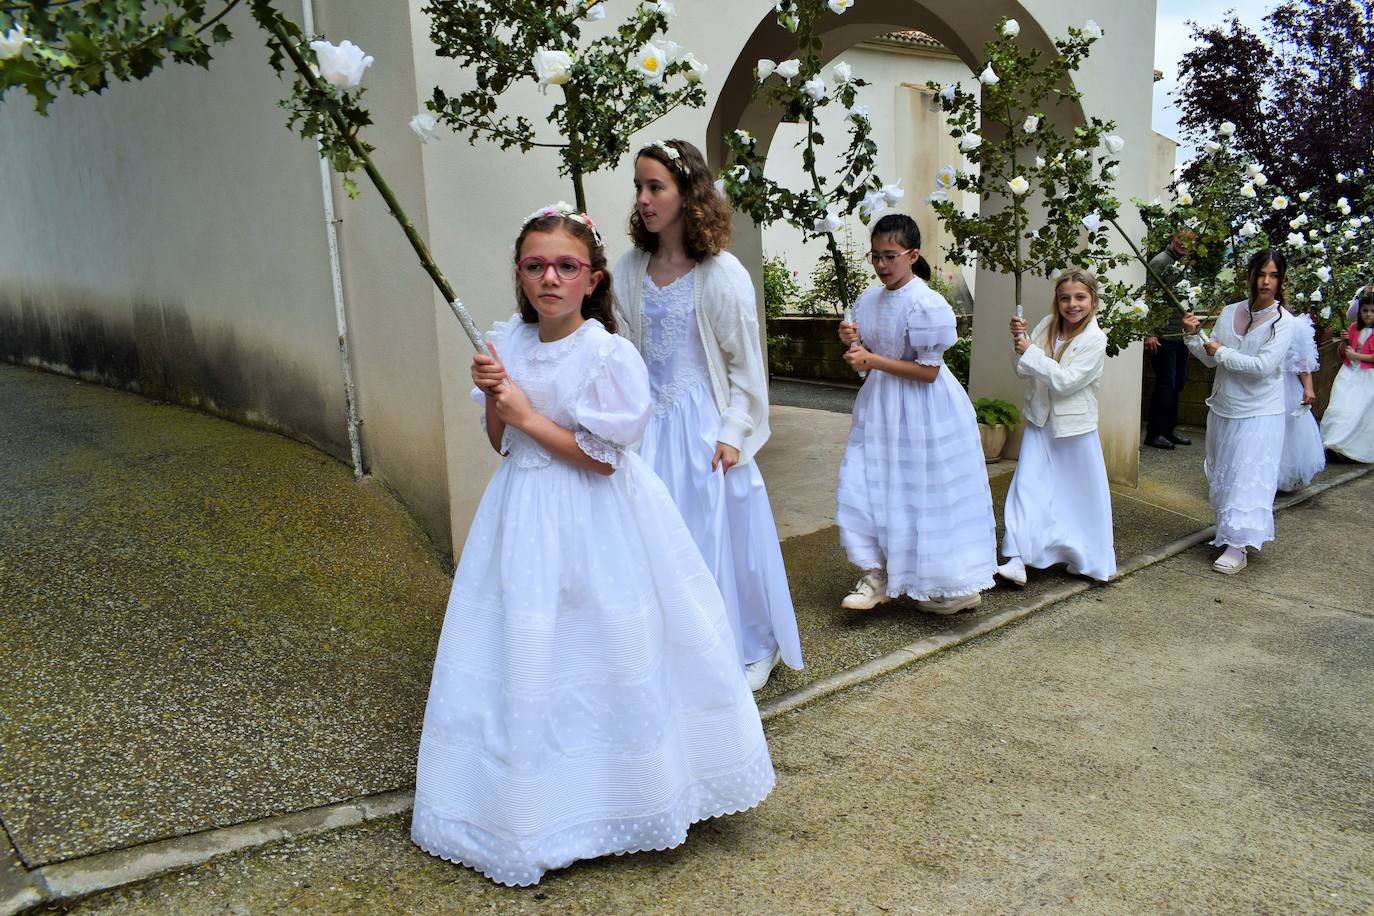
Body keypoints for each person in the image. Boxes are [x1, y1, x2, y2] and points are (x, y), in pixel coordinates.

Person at [411, 204, 774, 887]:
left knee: (602, 642)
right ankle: (530, 805)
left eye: (565, 266)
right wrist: (497, 398)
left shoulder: (607, 353)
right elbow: (502, 443)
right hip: (521, 511)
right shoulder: (505, 344)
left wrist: (523, 410)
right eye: (535, 265)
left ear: (592, 279)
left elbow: (603, 458)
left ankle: (624, 794)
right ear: (519, 276)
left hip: (592, 516)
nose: (549, 277)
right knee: (526, 647)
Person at [613, 139, 802, 691]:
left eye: (656, 187)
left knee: (720, 539)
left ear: (688, 192)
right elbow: (624, 355)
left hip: (703, 430)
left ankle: (749, 644)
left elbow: (746, 366)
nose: (644, 199)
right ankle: (668, 649)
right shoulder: (628, 270)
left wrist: (734, 434)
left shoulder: (721, 275)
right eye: (639, 188)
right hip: (647, 427)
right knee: (652, 542)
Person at [835, 213, 996, 613]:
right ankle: (876, 574)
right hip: (879, 406)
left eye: (890, 256)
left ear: (912, 254)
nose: (881, 265)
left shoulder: (927, 304)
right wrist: (855, 350)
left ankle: (944, 581)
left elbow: (928, 372)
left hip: (923, 409)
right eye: (875, 256)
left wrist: (871, 358)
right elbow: (862, 366)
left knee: (920, 490)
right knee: (868, 483)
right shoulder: (867, 301)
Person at [996, 268, 1116, 586]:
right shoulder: (1048, 325)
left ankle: (1084, 557)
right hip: (1040, 423)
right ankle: (1017, 558)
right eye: (1065, 298)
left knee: (1076, 498)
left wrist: (1031, 351)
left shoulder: (1095, 340)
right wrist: (1018, 341)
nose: (1072, 304)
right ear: (1057, 300)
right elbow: (1024, 369)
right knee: (1027, 488)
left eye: (1080, 297)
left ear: (1093, 300)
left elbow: (1066, 381)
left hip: (1074, 431)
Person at [1183, 248, 1296, 575]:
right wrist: (1193, 337)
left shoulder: (1283, 323)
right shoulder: (1230, 311)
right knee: (1224, 474)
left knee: (1248, 477)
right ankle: (1228, 531)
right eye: (1261, 274)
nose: (1266, 281)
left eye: (1273, 275)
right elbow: (1209, 358)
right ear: (1250, 276)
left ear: (1281, 280)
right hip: (1223, 407)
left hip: (1259, 412)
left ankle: (1239, 545)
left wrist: (1221, 352)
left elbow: (1263, 367)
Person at [1143, 229, 1198, 450]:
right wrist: (1150, 331)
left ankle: (1168, 430)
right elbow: (1148, 296)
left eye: (1190, 240)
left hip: (1180, 334)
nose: (1184, 243)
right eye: (1180, 238)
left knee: (1178, 383)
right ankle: (1154, 433)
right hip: (1163, 334)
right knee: (1165, 384)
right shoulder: (1161, 261)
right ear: (1172, 237)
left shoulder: (1184, 263)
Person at [1320, 286, 1374, 462]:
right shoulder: (1353, 328)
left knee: (1358, 409)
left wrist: (1356, 355)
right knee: (1340, 407)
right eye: (1365, 311)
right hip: (1349, 373)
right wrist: (1344, 343)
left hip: (1367, 376)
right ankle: (1333, 442)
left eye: (1372, 312)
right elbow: (1342, 354)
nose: (1368, 315)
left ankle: (1350, 446)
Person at [1276, 306, 1325, 491]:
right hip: (1261, 383)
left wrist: (1308, 388)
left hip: (1287, 385)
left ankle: (1287, 476)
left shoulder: (1294, 324)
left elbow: (1303, 360)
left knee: (1290, 430)